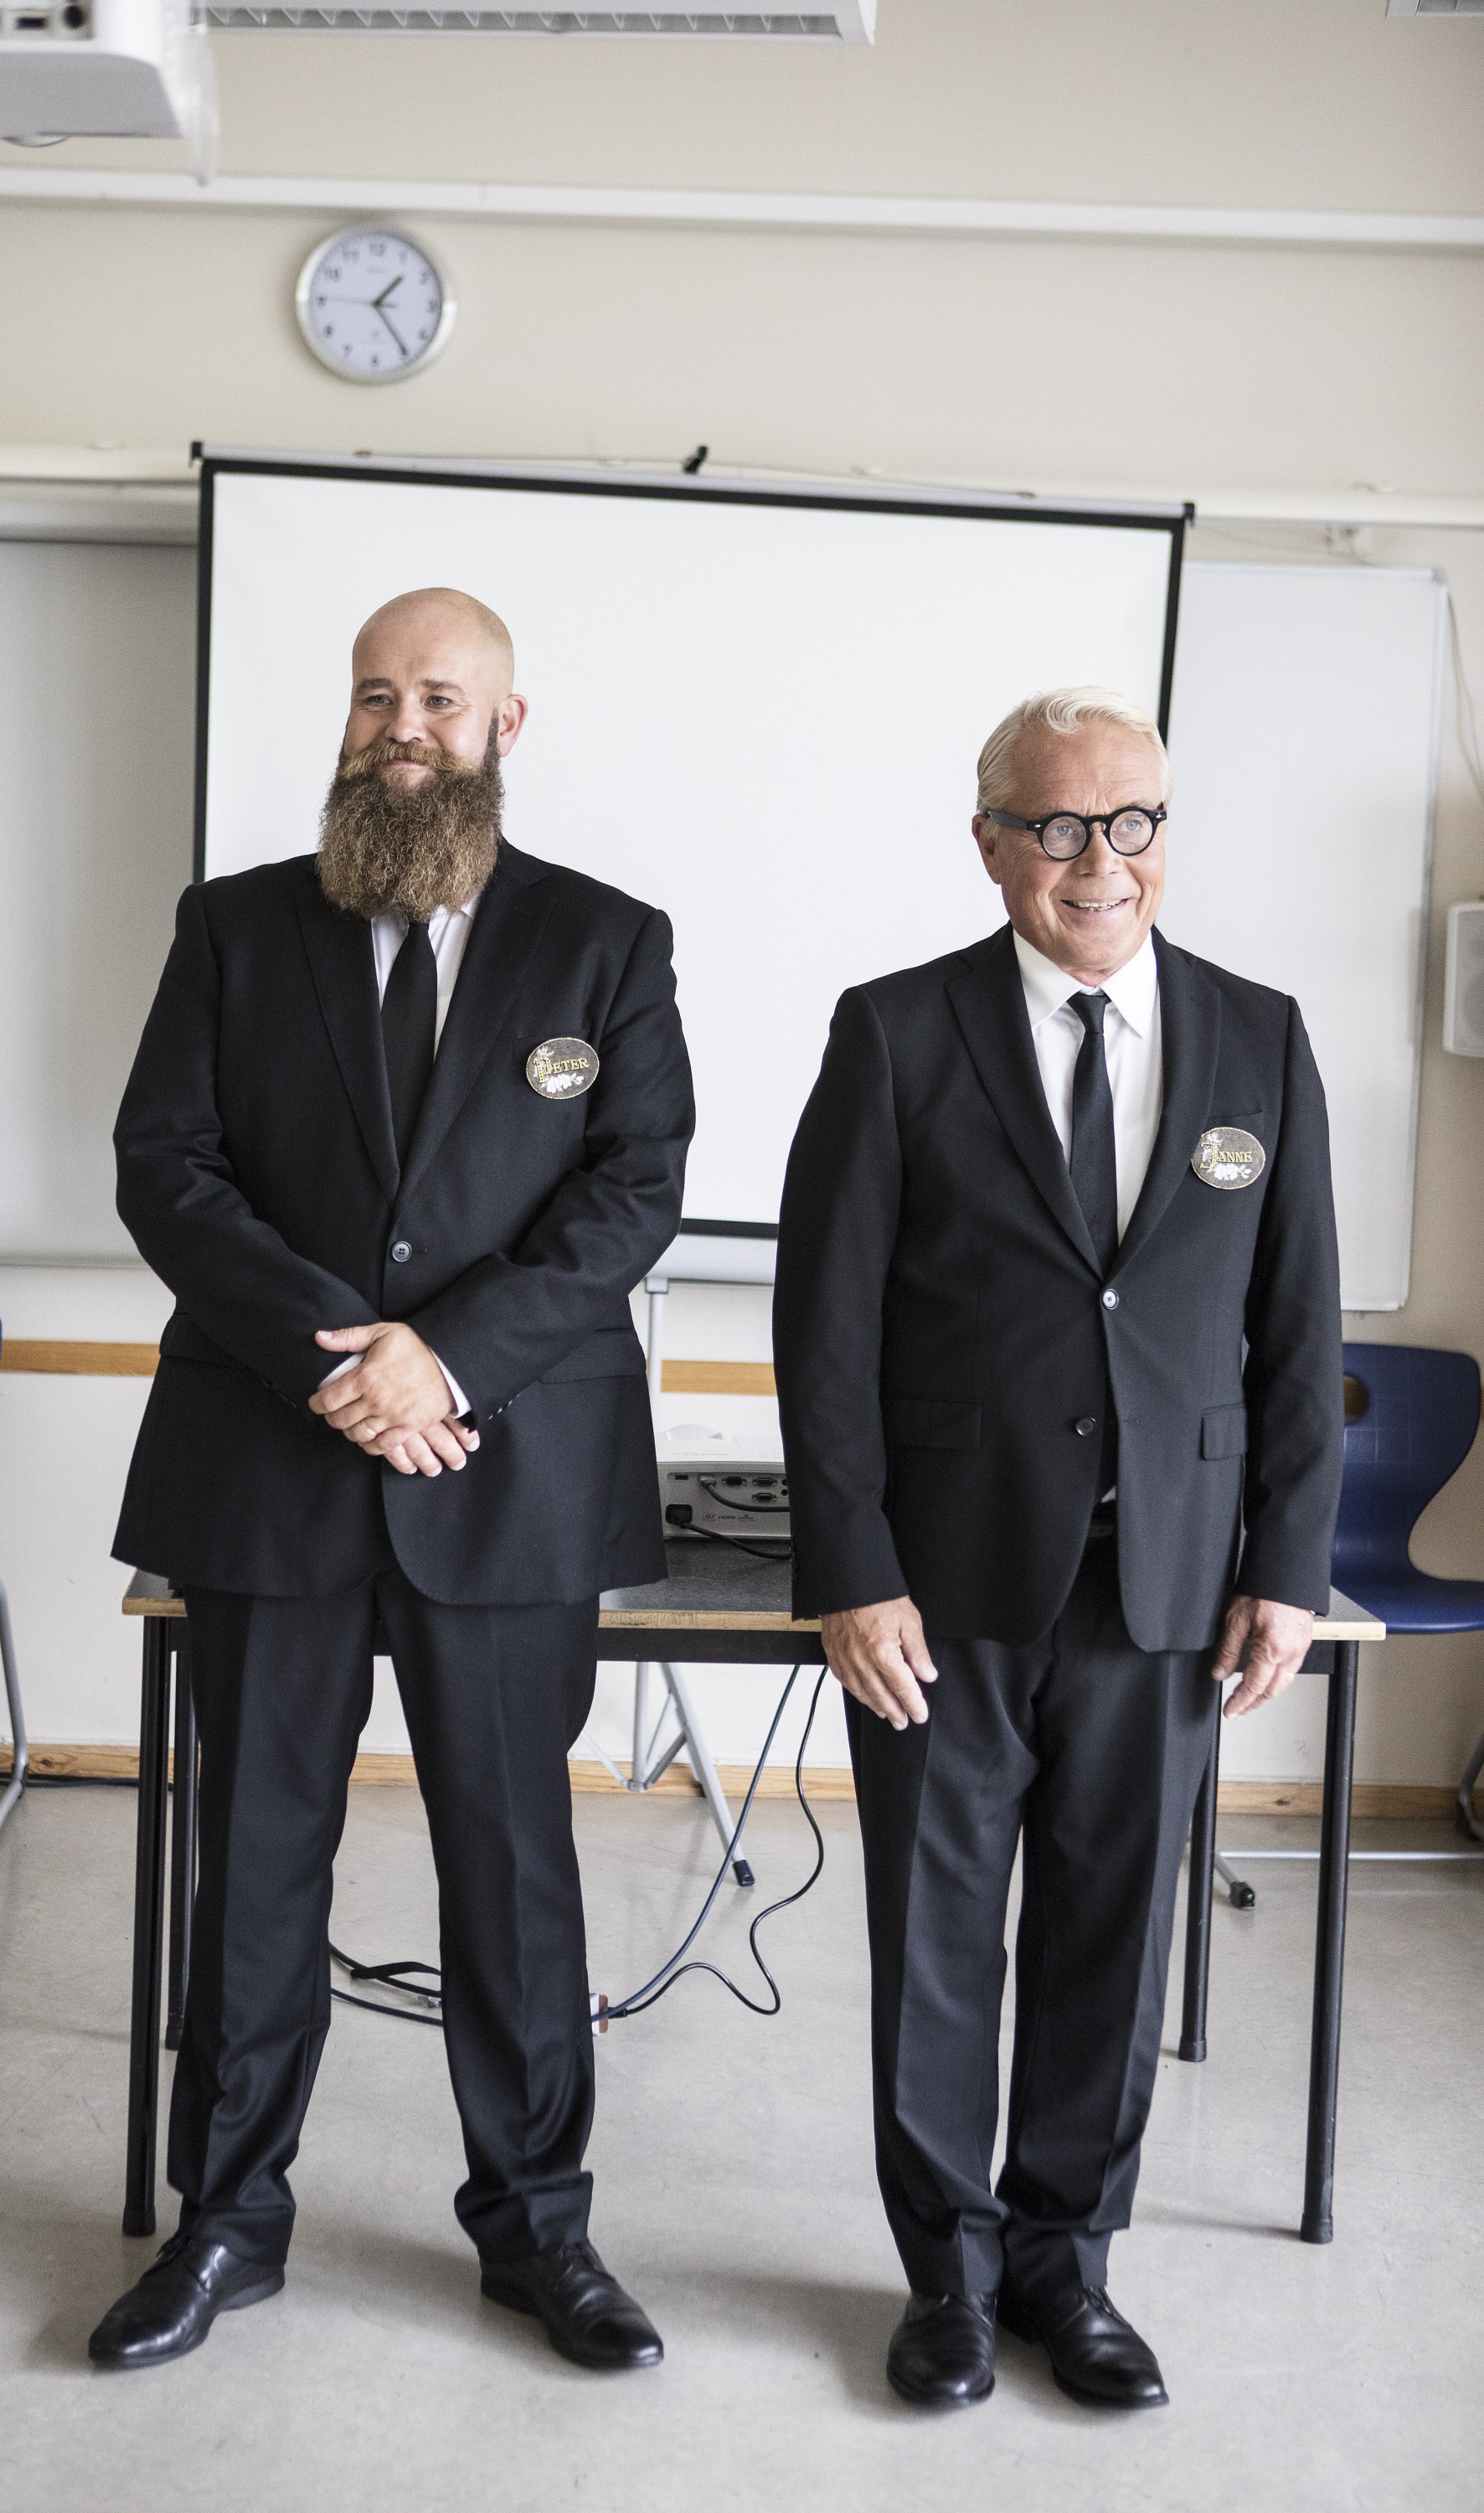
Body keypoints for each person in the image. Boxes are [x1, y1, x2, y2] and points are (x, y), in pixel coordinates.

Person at [90, 588, 694, 2375]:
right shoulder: (233, 925)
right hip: (271, 1464)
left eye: (438, 696)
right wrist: (340, 1360)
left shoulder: (607, 941)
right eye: (375, 696)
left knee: (512, 1874)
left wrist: (449, 1357)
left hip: (504, 1472)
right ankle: (226, 2224)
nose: (401, 726)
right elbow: (166, 1168)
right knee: (254, 1867)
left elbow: (634, 1189)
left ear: (507, 724)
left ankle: (539, 2233)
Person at [773, 687, 1342, 2414]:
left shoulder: (1258, 1036)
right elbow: (825, 1326)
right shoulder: (897, 1031)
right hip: (940, 1590)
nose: (1101, 861)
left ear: (1166, 833)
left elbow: (1296, 1328)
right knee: (935, 1942)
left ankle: (1065, 2270)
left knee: (1112, 1938)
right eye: (1058, 826)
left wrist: (1288, 1562)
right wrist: (850, 1565)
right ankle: (946, 2281)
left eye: (1133, 822)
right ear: (991, 844)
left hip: (1164, 1583)